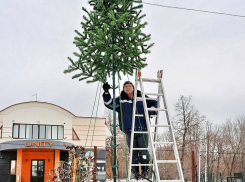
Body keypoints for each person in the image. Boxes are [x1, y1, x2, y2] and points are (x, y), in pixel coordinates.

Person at [102, 81, 157, 181]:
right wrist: (106, 93)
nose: (127, 87)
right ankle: (135, 174)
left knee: (143, 151)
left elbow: (154, 102)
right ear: (123, 89)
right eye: (125, 86)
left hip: (142, 129)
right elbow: (109, 104)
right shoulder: (121, 100)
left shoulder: (141, 96)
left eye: (129, 86)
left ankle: (144, 173)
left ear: (133, 88)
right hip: (129, 130)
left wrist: (150, 111)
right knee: (133, 153)